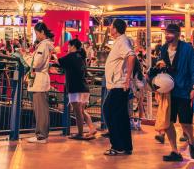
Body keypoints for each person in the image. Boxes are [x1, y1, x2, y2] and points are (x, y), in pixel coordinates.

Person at [158, 24, 194, 162]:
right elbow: (159, 66)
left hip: (184, 91)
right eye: (166, 33)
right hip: (168, 92)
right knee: (168, 122)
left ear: (177, 34)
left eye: (170, 33)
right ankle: (174, 151)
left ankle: (192, 141)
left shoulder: (187, 49)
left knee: (185, 123)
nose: (167, 35)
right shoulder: (163, 48)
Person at [102, 19, 136, 156]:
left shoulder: (122, 42)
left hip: (119, 84)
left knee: (108, 110)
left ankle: (117, 145)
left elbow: (131, 56)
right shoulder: (120, 41)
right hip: (118, 84)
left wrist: (127, 77)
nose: (110, 29)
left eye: (111, 27)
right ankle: (126, 145)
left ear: (115, 29)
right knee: (121, 115)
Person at [58, 38, 96, 139]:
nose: (68, 48)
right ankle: (92, 128)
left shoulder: (71, 56)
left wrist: (54, 54)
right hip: (84, 87)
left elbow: (60, 61)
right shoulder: (81, 57)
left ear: (73, 46)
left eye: (69, 46)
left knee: (77, 111)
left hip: (75, 87)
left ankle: (80, 133)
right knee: (82, 111)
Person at [25, 22, 54, 144]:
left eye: (37, 33)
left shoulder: (43, 46)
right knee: (42, 109)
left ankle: (41, 135)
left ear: (42, 32)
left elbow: (36, 63)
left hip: (39, 80)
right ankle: (42, 134)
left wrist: (25, 56)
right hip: (40, 79)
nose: (36, 36)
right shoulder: (46, 45)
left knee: (40, 109)